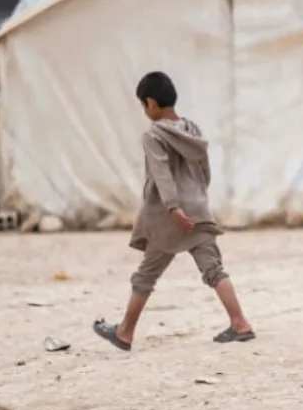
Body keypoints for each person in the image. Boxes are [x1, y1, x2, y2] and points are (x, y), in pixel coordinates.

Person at [93, 71, 254, 351]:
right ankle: (240, 323)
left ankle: (125, 332)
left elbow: (161, 173)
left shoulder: (153, 135)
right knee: (214, 269)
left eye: (143, 105)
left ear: (151, 103)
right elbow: (205, 170)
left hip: (168, 216)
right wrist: (197, 197)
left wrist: (173, 207)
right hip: (199, 208)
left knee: (146, 275)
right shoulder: (192, 130)